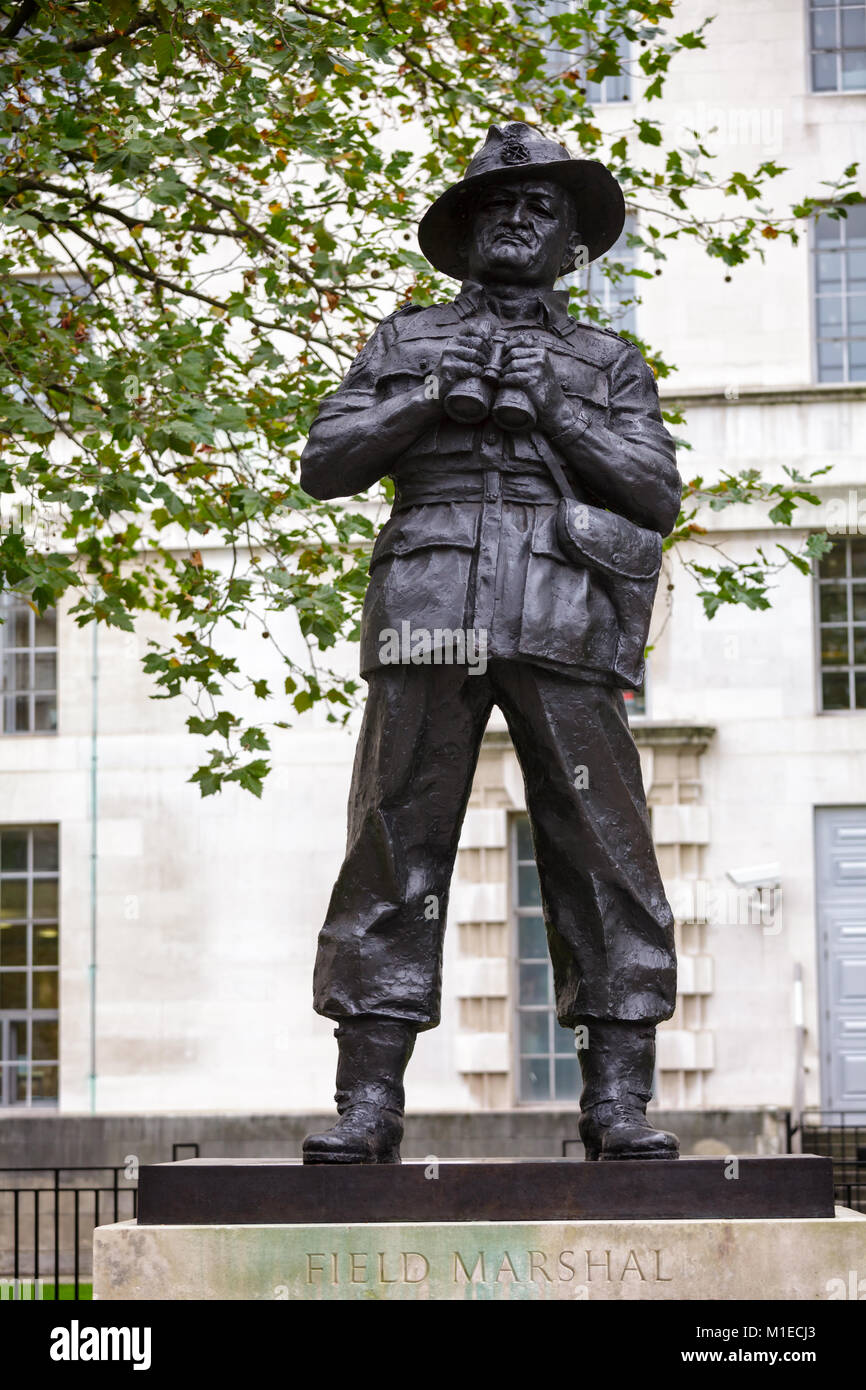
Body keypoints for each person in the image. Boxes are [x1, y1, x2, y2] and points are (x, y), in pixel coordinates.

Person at [300, 122, 682, 1164]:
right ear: (464, 232)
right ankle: (367, 1100)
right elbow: (325, 461)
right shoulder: (405, 339)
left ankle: (614, 1098)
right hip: (427, 597)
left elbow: (655, 493)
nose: (516, 218)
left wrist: (554, 408)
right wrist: (429, 396)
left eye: (539, 206)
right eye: (496, 205)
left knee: (602, 845)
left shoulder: (607, 362)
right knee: (393, 841)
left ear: (571, 244)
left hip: (564, 606)